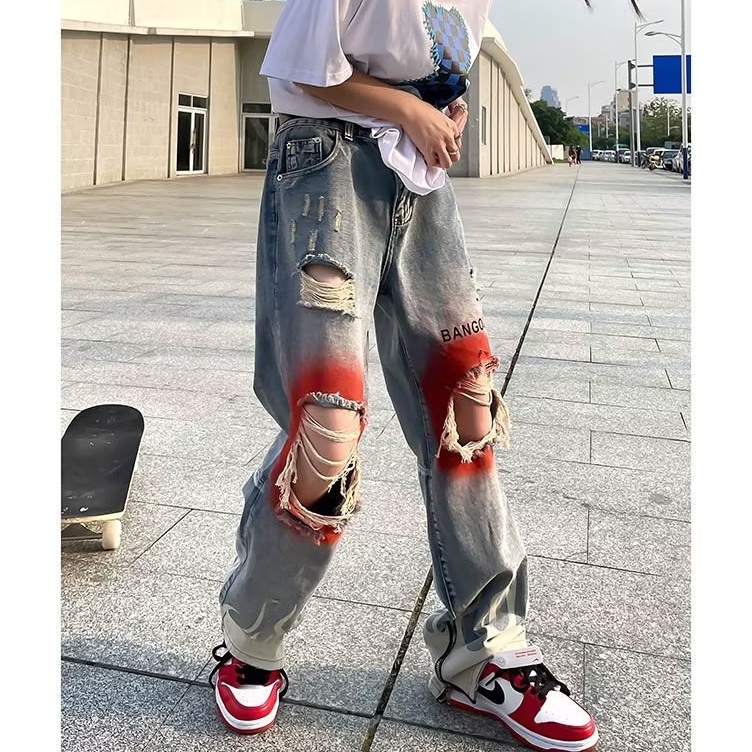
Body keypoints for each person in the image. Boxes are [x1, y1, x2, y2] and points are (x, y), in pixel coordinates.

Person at [208, 1, 641, 750]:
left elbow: (433, 65)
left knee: (467, 408)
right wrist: (410, 109)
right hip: (325, 171)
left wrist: (445, 107)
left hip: (421, 182)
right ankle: (252, 640)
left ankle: (486, 651)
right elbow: (304, 66)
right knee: (327, 429)